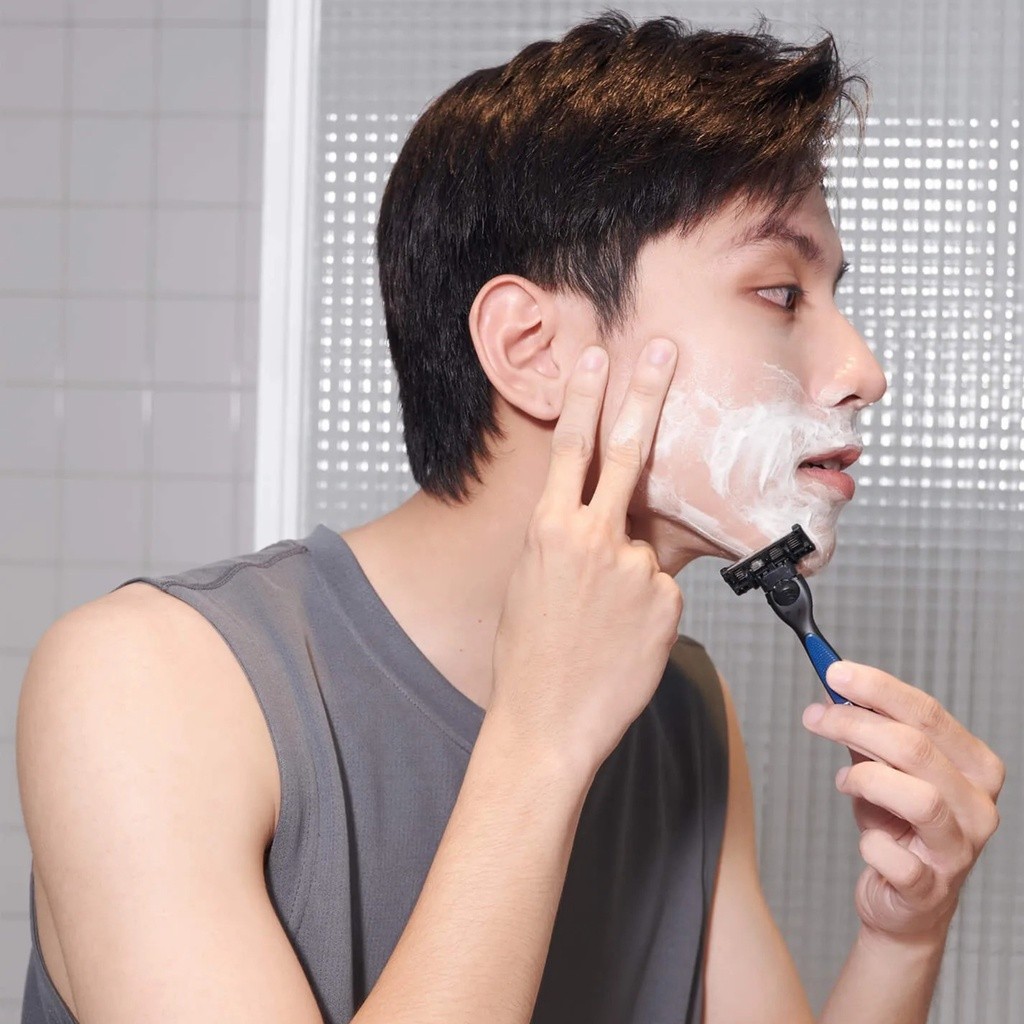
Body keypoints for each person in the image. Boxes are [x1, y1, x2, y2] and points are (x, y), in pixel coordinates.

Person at [16, 12, 1003, 1024]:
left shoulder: (682, 711)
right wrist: (539, 746)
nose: (864, 371)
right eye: (782, 293)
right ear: (532, 349)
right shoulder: (145, 684)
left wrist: (906, 934)